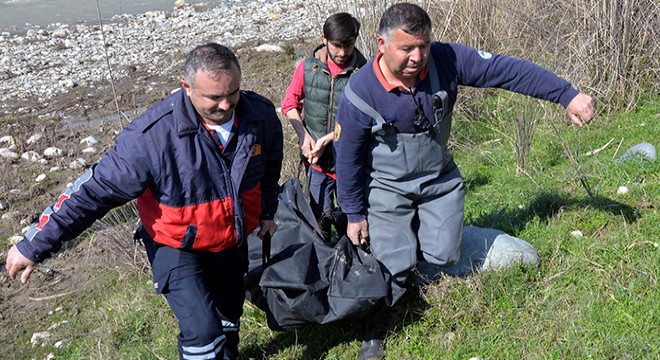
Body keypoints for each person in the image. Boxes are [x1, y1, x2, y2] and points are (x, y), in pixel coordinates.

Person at [333, 3, 595, 359]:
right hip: (387, 187)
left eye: (423, 46)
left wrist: (566, 95)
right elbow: (346, 158)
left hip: (438, 179)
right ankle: (375, 327)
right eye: (406, 48)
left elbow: (507, 71)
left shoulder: (447, 60)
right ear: (381, 45)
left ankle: (416, 245)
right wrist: (353, 213)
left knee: (444, 255)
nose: (417, 57)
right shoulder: (360, 92)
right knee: (390, 266)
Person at [5, 43, 283, 360]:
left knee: (229, 315)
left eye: (232, 92)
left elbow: (270, 167)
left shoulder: (258, 116)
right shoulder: (150, 138)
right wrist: (34, 245)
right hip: (175, 244)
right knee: (203, 331)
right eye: (213, 98)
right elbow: (92, 192)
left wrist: (267, 211)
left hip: (230, 240)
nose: (225, 105)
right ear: (186, 88)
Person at [281, 12, 366, 241]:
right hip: (316, 163)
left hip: (351, 162)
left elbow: (363, 120)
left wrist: (328, 138)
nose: (342, 52)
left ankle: (355, 260)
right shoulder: (308, 68)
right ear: (324, 39)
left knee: (353, 217)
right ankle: (326, 264)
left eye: (348, 45)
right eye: (336, 45)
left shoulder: (364, 73)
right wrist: (303, 136)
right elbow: (289, 104)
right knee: (320, 220)